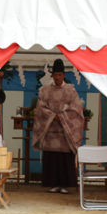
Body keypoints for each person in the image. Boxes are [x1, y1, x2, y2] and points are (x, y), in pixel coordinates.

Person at [31, 58, 84, 194]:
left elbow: (76, 108)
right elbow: (41, 107)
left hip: (66, 130)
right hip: (50, 129)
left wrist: (64, 117)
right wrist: (53, 116)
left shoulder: (70, 90)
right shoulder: (45, 90)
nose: (58, 77)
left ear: (64, 75)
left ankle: (65, 185)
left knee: (64, 158)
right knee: (52, 158)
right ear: (52, 75)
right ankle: (53, 184)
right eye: (55, 75)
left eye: (60, 75)